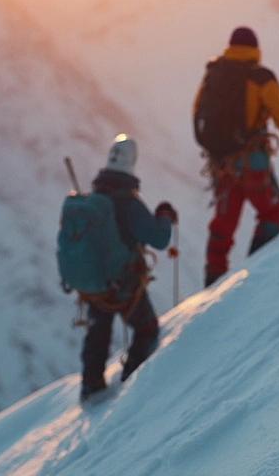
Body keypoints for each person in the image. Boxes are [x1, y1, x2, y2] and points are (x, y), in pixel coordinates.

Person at [195, 27, 279, 287]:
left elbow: (198, 112)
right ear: (255, 48)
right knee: (272, 211)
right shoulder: (260, 78)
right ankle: (257, 270)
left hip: (221, 164)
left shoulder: (214, 72)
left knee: (223, 223)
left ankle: (212, 277)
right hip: (252, 161)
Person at [79, 134, 178, 402]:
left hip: (95, 283)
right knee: (146, 328)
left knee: (98, 331)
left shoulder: (92, 200)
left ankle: (91, 385)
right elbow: (158, 238)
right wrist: (165, 217)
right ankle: (132, 384)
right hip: (123, 282)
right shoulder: (127, 201)